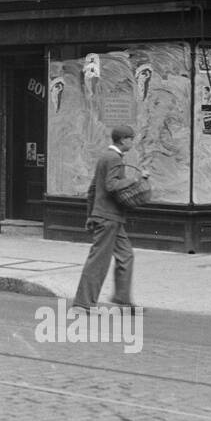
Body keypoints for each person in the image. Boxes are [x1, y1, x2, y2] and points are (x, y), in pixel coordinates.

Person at [73, 124, 145, 310]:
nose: (132, 142)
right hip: (109, 218)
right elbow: (112, 185)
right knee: (99, 260)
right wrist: (136, 179)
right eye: (131, 138)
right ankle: (83, 304)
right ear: (123, 140)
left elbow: (93, 189)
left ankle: (122, 299)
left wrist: (90, 215)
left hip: (109, 217)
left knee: (126, 256)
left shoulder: (105, 157)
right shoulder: (114, 158)